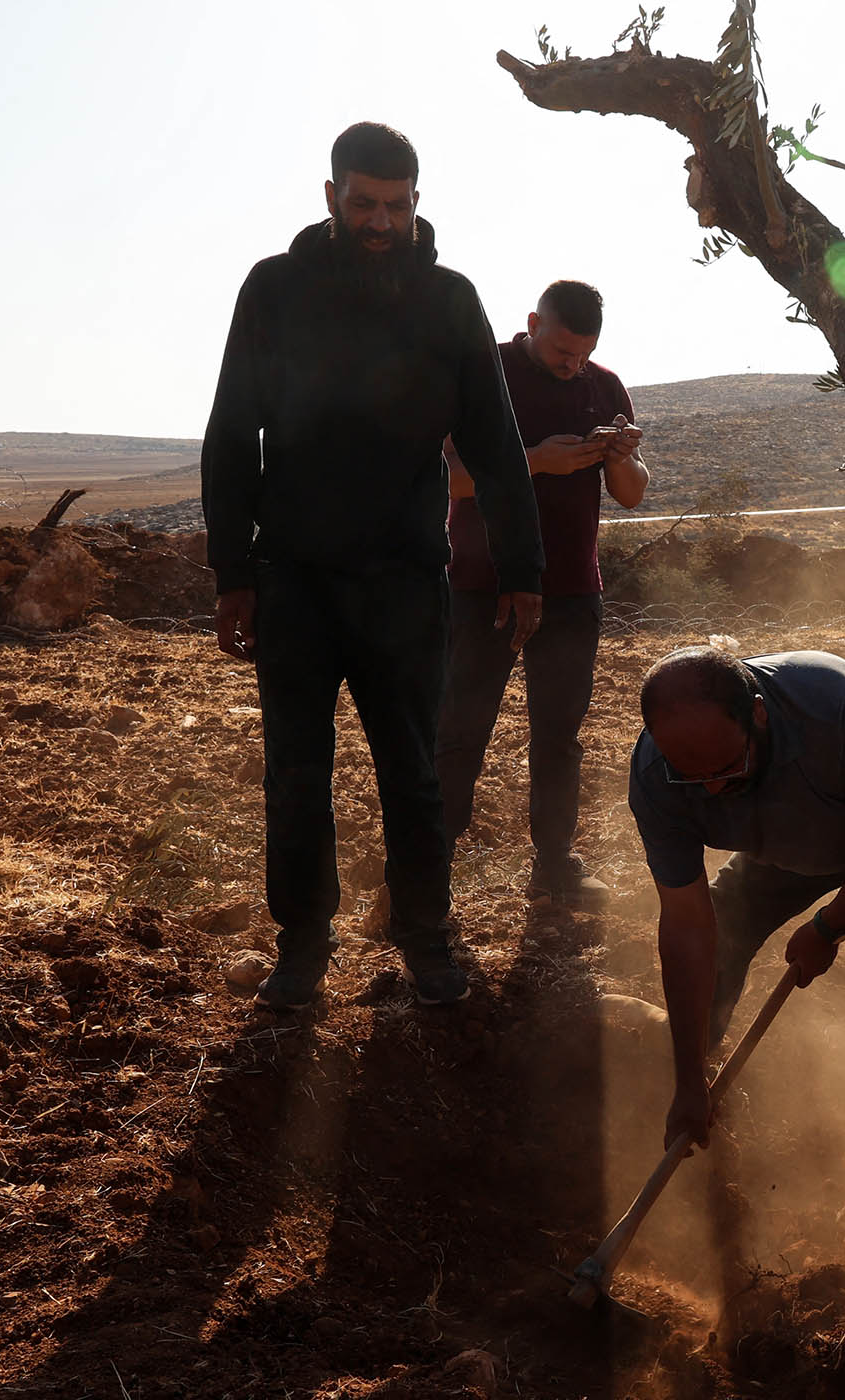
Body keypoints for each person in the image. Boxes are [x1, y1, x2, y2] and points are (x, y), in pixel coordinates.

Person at [201, 122, 545, 1011]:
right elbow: (233, 435)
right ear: (330, 198)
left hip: (403, 583)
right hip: (296, 580)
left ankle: (427, 940)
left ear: (417, 203)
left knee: (414, 772)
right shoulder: (274, 290)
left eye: (396, 206)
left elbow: (497, 447)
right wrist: (231, 573)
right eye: (363, 204)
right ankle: (303, 948)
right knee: (296, 772)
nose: (380, 222)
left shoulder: (449, 302)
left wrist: (524, 569)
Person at [626, 646, 845, 1151]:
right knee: (725, 926)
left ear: (758, 712)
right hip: (796, 839)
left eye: (728, 767)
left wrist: (829, 925)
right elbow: (687, 925)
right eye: (692, 776)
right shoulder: (654, 778)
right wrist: (689, 1080)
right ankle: (695, 1094)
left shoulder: (838, 708)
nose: (711, 790)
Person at [436, 279, 650, 908]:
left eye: (584, 353)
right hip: (483, 587)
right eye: (562, 351)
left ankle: (555, 865)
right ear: (532, 322)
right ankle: (430, 870)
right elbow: (450, 481)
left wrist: (617, 457)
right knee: (460, 731)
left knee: (559, 735)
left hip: (572, 590)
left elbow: (632, 493)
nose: (572, 365)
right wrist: (534, 461)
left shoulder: (604, 387)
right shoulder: (483, 374)